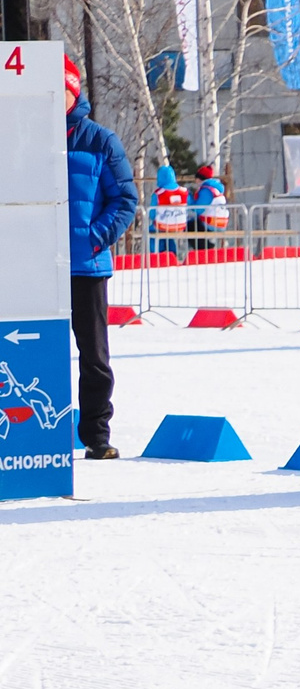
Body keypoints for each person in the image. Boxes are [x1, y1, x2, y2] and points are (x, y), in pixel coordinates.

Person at [64, 58, 138, 460]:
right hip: (37, 267)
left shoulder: (100, 140)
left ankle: (96, 435)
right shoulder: (22, 135)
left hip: (86, 267)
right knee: (32, 350)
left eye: (63, 91)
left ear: (74, 92)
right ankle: (33, 430)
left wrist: (94, 239)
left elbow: (125, 199)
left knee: (94, 356)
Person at [188, 163, 231, 246]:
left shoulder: (206, 191)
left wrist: (189, 199)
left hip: (211, 223)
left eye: (196, 178)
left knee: (190, 226)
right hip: (220, 223)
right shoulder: (216, 189)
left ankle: (204, 250)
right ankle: (207, 248)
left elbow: (198, 209)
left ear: (199, 178)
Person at [150, 164, 189, 255]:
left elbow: (152, 213)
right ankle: (173, 253)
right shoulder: (184, 192)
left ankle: (158, 253)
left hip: (162, 226)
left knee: (151, 231)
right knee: (169, 235)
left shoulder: (158, 194)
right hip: (180, 225)